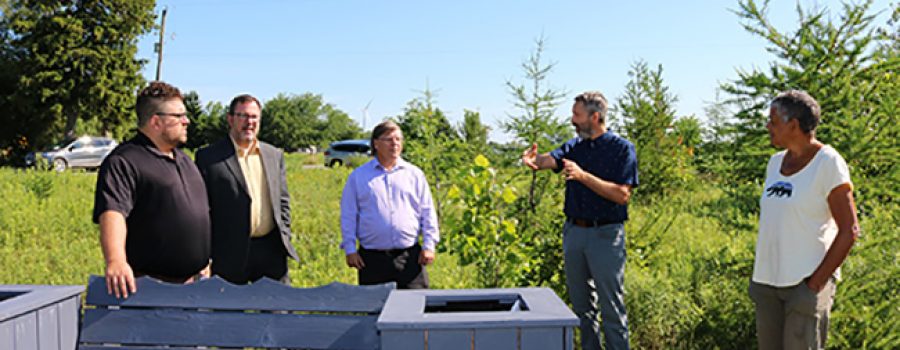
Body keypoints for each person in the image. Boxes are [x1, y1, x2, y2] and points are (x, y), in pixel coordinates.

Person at [521, 91, 638, 350]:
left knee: (611, 309)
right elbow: (549, 160)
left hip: (606, 235)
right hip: (574, 233)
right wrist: (534, 161)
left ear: (595, 117)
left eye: (577, 115)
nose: (572, 120)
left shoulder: (622, 149)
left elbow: (621, 195)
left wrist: (584, 176)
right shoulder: (575, 146)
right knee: (582, 308)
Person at [749, 90, 859, 350]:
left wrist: (814, 284)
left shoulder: (828, 163)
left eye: (773, 121)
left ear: (794, 125)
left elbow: (849, 230)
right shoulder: (775, 164)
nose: (768, 126)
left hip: (804, 285)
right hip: (767, 285)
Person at [93, 81, 211, 298]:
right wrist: (116, 260)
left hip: (195, 284)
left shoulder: (185, 160)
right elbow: (112, 212)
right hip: (151, 288)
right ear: (156, 121)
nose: (187, 121)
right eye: (179, 116)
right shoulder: (125, 161)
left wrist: (203, 261)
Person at [195, 94, 300, 284]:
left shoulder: (273, 155)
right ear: (230, 119)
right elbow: (202, 210)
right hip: (229, 252)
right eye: (243, 116)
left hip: (271, 250)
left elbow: (282, 201)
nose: (249, 122)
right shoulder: (209, 157)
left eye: (254, 117)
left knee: (278, 310)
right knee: (230, 311)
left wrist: (285, 232)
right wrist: (205, 255)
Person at [339, 120, 439, 289]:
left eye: (398, 139)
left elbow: (427, 211)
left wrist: (429, 245)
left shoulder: (414, 175)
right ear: (376, 143)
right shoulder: (358, 177)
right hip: (372, 260)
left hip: (410, 258)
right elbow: (349, 215)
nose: (395, 144)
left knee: (414, 310)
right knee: (375, 311)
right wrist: (350, 249)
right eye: (389, 139)